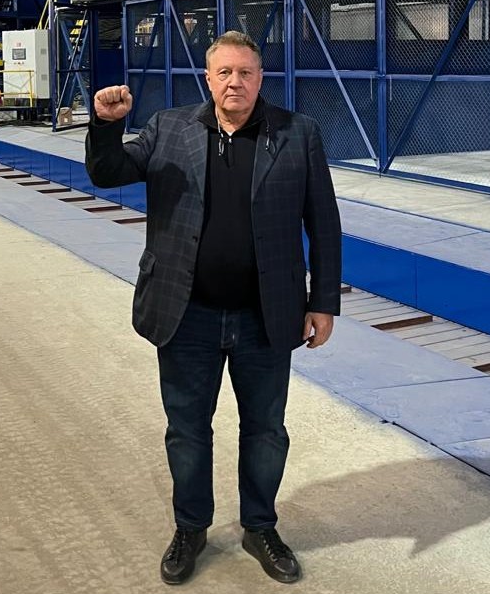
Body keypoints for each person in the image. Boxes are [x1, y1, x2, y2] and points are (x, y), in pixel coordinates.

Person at [86, 30, 342, 585]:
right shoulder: (169, 129)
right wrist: (105, 125)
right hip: (187, 314)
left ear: (260, 78)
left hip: (265, 317)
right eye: (224, 72)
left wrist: (323, 302)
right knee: (187, 430)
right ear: (208, 78)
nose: (235, 82)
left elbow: (323, 221)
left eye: (245, 72)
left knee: (266, 430)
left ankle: (260, 527)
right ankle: (191, 528)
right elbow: (108, 173)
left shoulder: (298, 134)